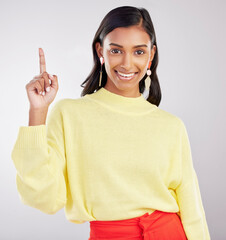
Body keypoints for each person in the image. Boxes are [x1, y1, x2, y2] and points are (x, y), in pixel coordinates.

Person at [11, 5, 211, 240]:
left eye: (138, 52)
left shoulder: (171, 126)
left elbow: (192, 207)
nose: (127, 64)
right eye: (116, 51)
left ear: (151, 55)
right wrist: (38, 111)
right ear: (100, 50)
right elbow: (44, 197)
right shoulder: (70, 114)